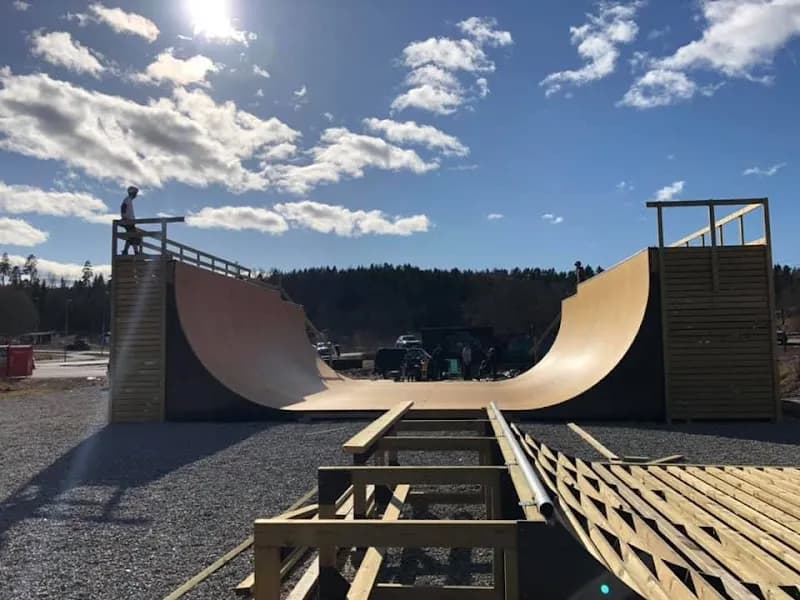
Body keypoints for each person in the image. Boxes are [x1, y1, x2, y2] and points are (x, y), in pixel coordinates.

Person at [120, 186, 141, 255]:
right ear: (133, 193)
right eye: (135, 193)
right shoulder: (127, 199)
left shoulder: (128, 200)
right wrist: (124, 217)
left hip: (130, 221)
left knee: (130, 237)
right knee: (134, 236)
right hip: (128, 221)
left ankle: (125, 250)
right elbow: (123, 207)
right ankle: (136, 252)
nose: (136, 195)